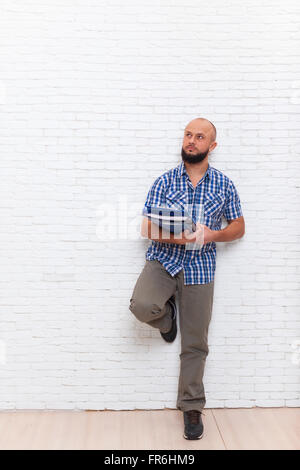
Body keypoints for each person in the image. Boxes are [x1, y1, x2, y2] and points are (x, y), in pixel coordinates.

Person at [129, 118, 245, 440]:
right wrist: (178, 239)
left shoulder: (224, 185)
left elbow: (239, 226)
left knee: (196, 342)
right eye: (188, 135)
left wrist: (212, 235)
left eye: (200, 136)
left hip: (200, 269)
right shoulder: (164, 181)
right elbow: (146, 229)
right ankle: (167, 320)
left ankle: (191, 406)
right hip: (163, 261)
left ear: (212, 145)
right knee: (141, 306)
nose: (191, 141)